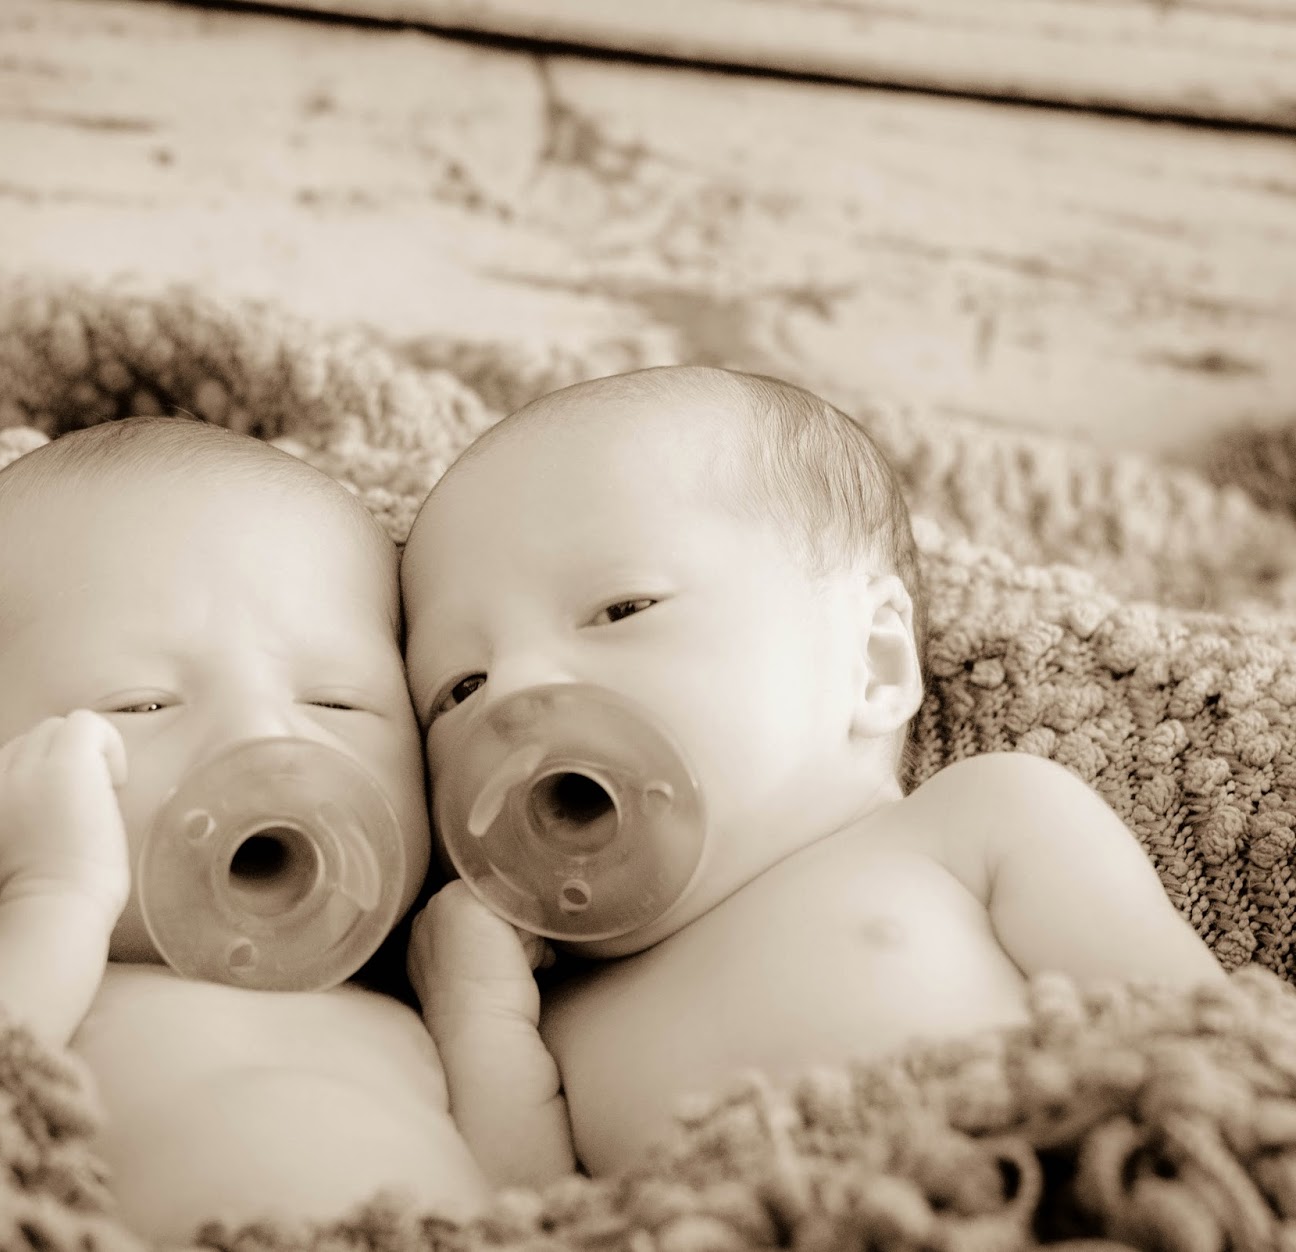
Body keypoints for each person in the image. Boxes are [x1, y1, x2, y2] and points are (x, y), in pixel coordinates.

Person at [399, 365, 1228, 1188]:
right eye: (458, 688)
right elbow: (527, 1216)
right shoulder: (555, 1013)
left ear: (873, 660)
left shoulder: (978, 823)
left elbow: (1216, 1054)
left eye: (622, 610)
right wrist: (478, 1017)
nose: (511, 695)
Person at [0, 416, 489, 1241]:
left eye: (337, 702)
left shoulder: (412, 1006)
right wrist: (50, 897)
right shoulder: (17, 971)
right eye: (144, 705)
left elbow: (542, 1193)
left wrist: (485, 1019)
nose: (263, 738)